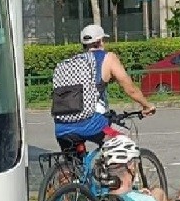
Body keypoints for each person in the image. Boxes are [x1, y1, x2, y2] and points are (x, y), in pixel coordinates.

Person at [53, 24, 157, 152]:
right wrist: (147, 105)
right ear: (100, 41)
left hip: (62, 126)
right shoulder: (108, 58)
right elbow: (130, 89)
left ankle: (73, 165)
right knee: (125, 140)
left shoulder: (70, 63)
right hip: (92, 123)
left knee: (73, 162)